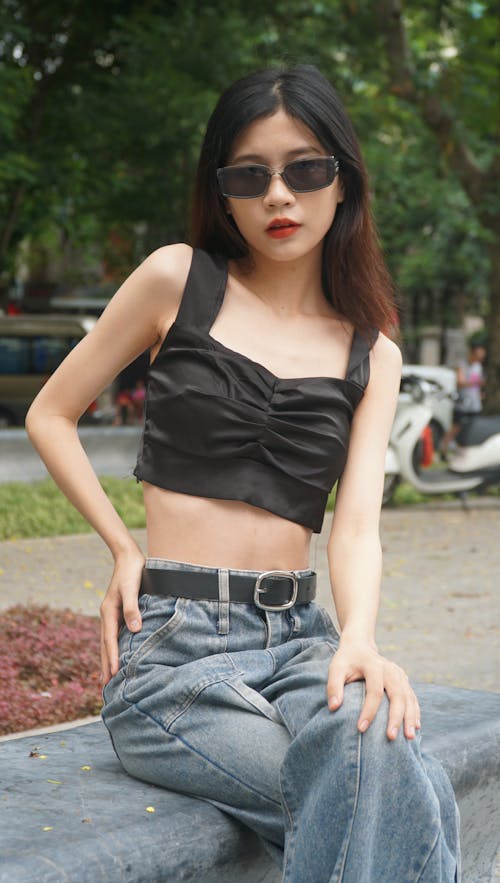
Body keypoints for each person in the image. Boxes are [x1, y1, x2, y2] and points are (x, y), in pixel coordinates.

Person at [25, 65, 460, 881]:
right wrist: (124, 549)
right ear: (222, 190)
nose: (279, 196)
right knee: (402, 786)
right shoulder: (175, 280)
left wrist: (360, 639)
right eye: (249, 174)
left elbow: (358, 524)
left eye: (305, 169)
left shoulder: (375, 353)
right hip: (175, 653)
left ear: (343, 181)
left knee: (372, 753)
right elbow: (52, 412)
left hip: (301, 644)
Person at [441, 341, 486, 458]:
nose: (479, 359)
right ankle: (444, 450)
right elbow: (460, 383)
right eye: (477, 356)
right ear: (472, 353)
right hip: (462, 403)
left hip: (475, 404)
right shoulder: (462, 365)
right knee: (456, 428)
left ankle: (467, 453)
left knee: (472, 429)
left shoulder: (478, 366)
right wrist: (475, 383)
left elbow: (477, 384)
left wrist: (480, 393)